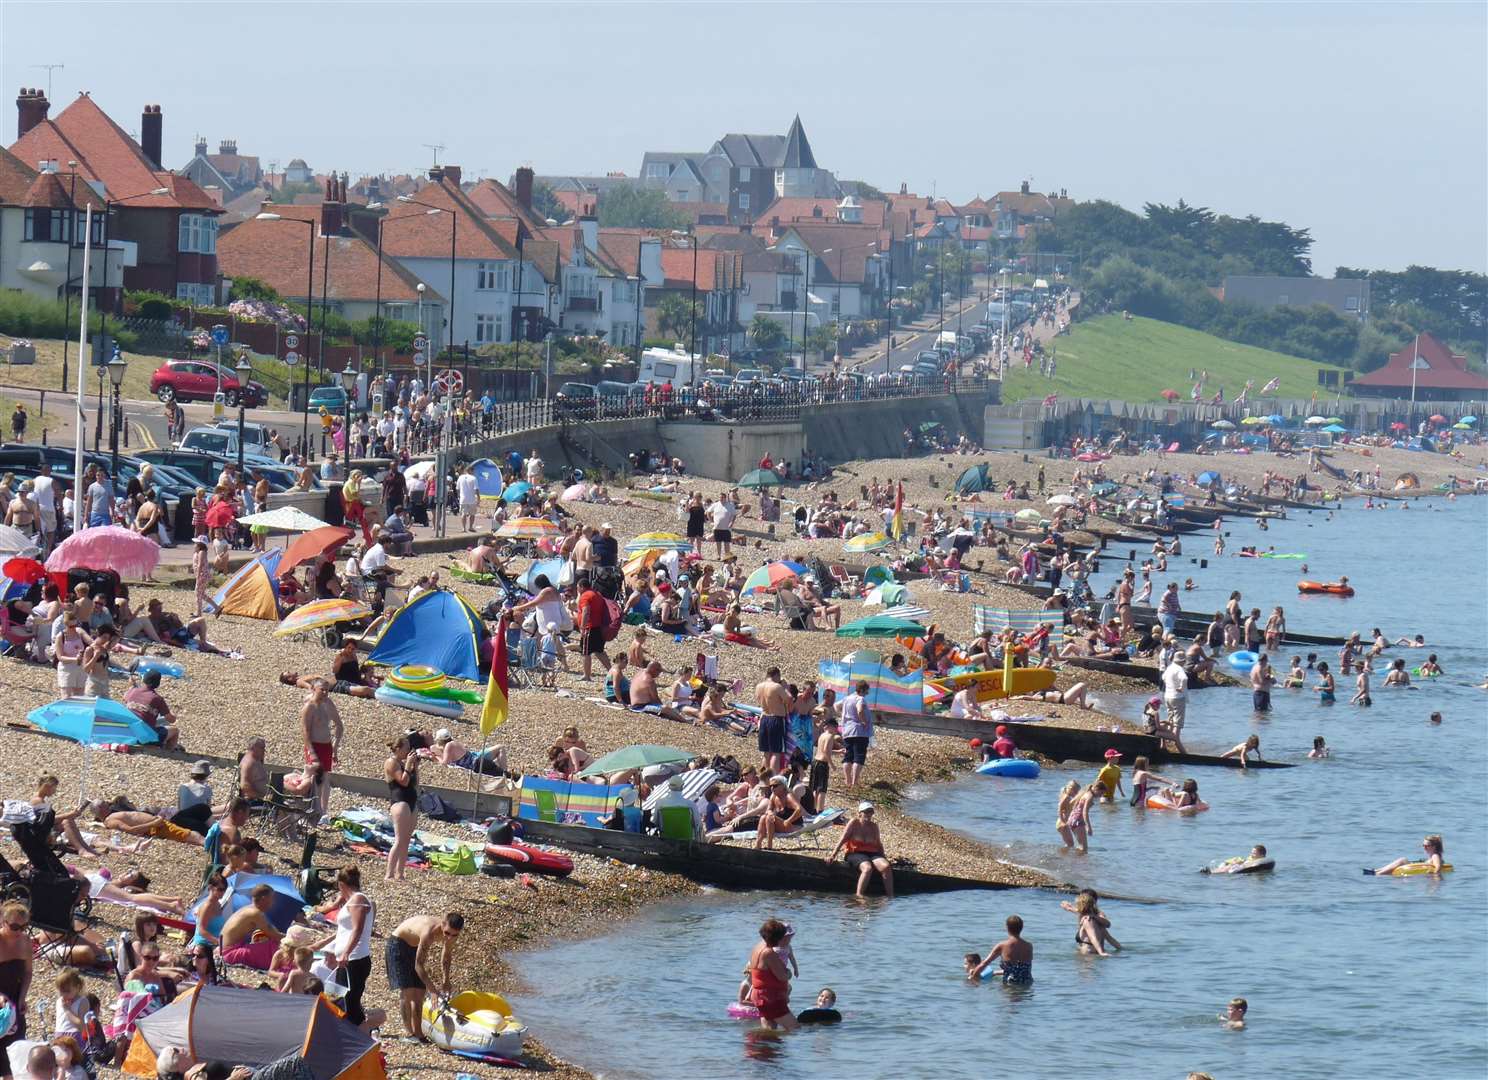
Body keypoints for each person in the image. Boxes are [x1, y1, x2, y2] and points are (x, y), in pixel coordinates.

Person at [317, 865, 381, 1030]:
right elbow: (344, 932)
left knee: (348, 1003)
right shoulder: (353, 901)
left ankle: (362, 1035)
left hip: (354, 959)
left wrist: (346, 952)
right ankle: (349, 1035)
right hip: (348, 959)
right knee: (340, 1001)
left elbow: (357, 928)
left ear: (341, 885)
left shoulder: (358, 900)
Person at [385, 913, 463, 1042]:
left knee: (420, 993)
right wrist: (433, 990)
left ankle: (419, 1033)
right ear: (443, 924)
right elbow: (418, 965)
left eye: (454, 935)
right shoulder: (429, 932)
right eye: (447, 933)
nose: (449, 938)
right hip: (398, 943)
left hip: (415, 946)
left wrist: (446, 980)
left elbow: (446, 955)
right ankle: (410, 1034)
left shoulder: (452, 935)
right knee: (408, 992)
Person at [827, 802, 893, 899]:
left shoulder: (874, 826)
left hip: (872, 853)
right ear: (860, 813)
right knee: (867, 868)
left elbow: (878, 844)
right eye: (866, 812)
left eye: (871, 812)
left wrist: (884, 857)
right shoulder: (854, 823)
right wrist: (833, 855)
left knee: (886, 866)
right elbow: (843, 839)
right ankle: (859, 896)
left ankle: (890, 897)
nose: (869, 814)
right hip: (854, 852)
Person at [299, 681, 343, 820]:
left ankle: (323, 811)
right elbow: (305, 732)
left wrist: (335, 749)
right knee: (314, 778)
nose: (325, 693)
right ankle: (310, 810)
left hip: (326, 745)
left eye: (327, 690)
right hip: (314, 745)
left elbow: (339, 726)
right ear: (314, 689)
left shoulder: (328, 704)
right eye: (322, 690)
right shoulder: (309, 707)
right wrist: (311, 752)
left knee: (325, 778)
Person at [743, 919, 797, 1031]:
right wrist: (789, 973)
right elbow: (782, 976)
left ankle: (761, 1047)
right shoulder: (768, 953)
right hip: (769, 998)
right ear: (777, 938)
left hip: (761, 996)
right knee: (795, 1028)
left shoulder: (758, 946)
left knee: (770, 1029)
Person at [218, 885, 284, 969]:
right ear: (264, 899)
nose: (273, 902)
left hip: (223, 950)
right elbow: (274, 935)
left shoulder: (249, 909)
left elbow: (271, 929)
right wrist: (295, 941)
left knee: (272, 943)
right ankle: (278, 967)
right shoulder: (255, 913)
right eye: (272, 898)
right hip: (229, 953)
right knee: (274, 946)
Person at [0, 903, 32, 1074]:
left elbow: (27, 973)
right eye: (14, 926)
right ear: (3, 922)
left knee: (13, 1060)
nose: (19, 931)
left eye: (24, 926)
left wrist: (22, 997)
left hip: (14, 1001)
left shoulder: (25, 941)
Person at [384, 736, 419, 881]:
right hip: (400, 803)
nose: (408, 751)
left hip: (411, 802)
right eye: (406, 748)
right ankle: (389, 874)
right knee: (399, 840)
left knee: (406, 839)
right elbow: (403, 782)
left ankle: (400, 873)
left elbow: (414, 783)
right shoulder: (391, 762)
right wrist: (409, 765)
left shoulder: (404, 764)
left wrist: (414, 768)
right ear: (397, 749)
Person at [966, 914, 1033, 984]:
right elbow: (1020, 969)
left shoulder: (1002, 945)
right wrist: (995, 973)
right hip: (1027, 984)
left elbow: (984, 963)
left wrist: (974, 977)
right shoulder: (1029, 946)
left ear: (1007, 927)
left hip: (1010, 985)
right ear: (1022, 927)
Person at [123, 670, 181, 749]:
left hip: (128, 732)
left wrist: (132, 686)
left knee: (153, 721)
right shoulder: (157, 698)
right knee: (174, 730)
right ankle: (168, 754)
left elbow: (125, 697)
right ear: (157, 684)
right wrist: (174, 715)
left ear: (144, 679)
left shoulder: (132, 691)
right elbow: (170, 719)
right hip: (146, 737)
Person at [1061, 888, 1120, 956]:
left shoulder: (1092, 917)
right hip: (1089, 952)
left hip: (1088, 954)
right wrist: (1069, 908)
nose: (1080, 899)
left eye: (1082, 898)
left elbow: (1107, 924)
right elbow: (1109, 937)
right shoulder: (1084, 914)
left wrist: (1101, 953)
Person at [754, 667, 791, 775]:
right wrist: (786, 687)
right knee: (776, 752)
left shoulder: (759, 686)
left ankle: (763, 776)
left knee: (766, 752)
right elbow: (788, 700)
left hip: (764, 718)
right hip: (776, 718)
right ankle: (773, 777)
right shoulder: (777, 687)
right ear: (776, 675)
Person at [574, 574, 610, 681]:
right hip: (597, 626)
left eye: (577, 587)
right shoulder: (597, 594)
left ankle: (587, 675)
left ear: (581, 587)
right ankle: (611, 670)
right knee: (599, 651)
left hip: (589, 627)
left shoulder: (585, 596)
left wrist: (582, 627)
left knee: (585, 652)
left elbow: (586, 611)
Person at [839, 679, 873, 788]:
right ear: (862, 690)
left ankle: (847, 780)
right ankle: (854, 782)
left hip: (847, 730)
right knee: (858, 756)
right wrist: (863, 721)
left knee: (848, 756)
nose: (867, 693)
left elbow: (836, 706)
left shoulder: (847, 698)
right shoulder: (860, 699)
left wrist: (845, 716)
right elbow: (859, 710)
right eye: (867, 691)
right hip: (859, 731)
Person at [1365, 834, 1445, 876]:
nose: (1424, 847)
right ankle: (1378, 870)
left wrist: (1434, 875)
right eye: (1423, 845)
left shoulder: (1435, 855)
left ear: (1434, 846)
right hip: (1417, 868)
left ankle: (1378, 873)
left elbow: (1438, 867)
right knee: (1403, 860)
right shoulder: (1432, 855)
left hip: (1419, 870)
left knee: (1403, 860)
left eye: (1427, 846)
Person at [810, 717, 841, 810]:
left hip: (815, 762)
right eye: (836, 728)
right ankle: (820, 810)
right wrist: (832, 765)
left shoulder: (822, 735)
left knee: (814, 788)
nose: (836, 731)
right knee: (822, 790)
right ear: (832, 727)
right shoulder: (830, 736)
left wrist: (839, 751)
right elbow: (826, 752)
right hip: (822, 764)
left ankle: (813, 809)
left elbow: (823, 750)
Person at [1160, 653, 1188, 753]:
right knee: (1177, 723)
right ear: (1183, 661)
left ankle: (1165, 743)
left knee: (1170, 719)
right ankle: (1176, 741)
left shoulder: (1170, 667)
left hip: (1168, 696)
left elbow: (1163, 677)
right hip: (1178, 698)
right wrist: (1181, 687)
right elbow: (1184, 678)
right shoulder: (1179, 669)